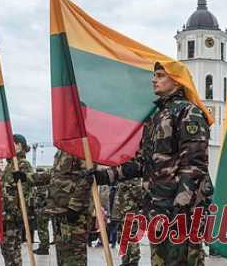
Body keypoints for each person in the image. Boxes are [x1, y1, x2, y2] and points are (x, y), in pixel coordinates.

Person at [90, 62, 213, 266]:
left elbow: (194, 164)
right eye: (154, 75)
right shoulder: (155, 118)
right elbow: (141, 163)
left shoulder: (188, 112)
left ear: (176, 80)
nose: (154, 79)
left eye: (160, 75)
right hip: (158, 208)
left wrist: (181, 204)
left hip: (182, 210)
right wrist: (104, 176)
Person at [27, 150, 92, 266]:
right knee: (63, 256)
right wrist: (27, 178)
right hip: (58, 212)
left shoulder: (80, 147)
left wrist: (75, 206)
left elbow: (88, 177)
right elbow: (53, 174)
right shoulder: (62, 151)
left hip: (74, 215)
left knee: (75, 257)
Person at [0, 134, 34, 266]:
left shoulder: (23, 164)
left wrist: (15, 210)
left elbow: (26, 191)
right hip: (5, 215)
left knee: (13, 252)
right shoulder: (9, 165)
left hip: (13, 216)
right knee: (7, 251)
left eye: (11, 144)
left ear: (19, 145)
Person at [111, 178, 142, 266]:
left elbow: (139, 195)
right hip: (120, 214)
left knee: (131, 237)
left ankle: (133, 261)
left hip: (130, 213)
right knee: (122, 238)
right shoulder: (121, 178)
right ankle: (125, 261)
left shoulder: (133, 178)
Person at [33, 167, 50, 255]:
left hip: (42, 210)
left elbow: (41, 200)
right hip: (42, 210)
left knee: (42, 229)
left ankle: (44, 247)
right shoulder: (43, 187)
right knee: (42, 229)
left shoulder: (44, 188)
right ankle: (43, 246)